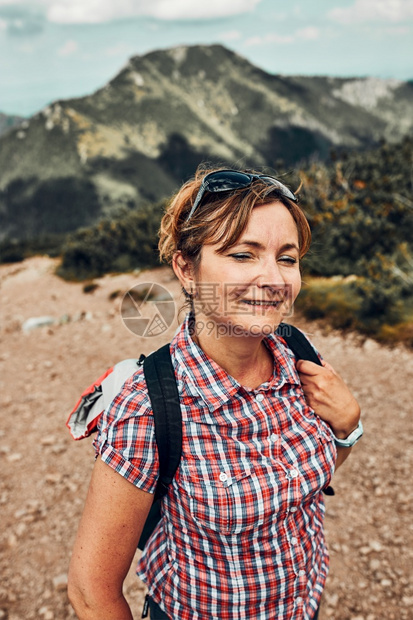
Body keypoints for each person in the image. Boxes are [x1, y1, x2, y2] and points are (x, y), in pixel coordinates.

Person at [68, 167, 361, 620]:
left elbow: (303, 479)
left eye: (287, 258)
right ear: (186, 267)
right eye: (243, 255)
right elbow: (91, 593)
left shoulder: (299, 356)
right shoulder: (148, 408)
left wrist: (346, 428)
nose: (274, 279)